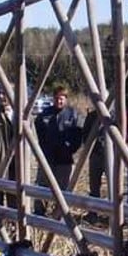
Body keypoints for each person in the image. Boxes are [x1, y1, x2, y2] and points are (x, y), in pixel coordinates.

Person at [34, 87, 84, 216]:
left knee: (63, 189)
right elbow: (37, 132)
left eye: (61, 99)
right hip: (47, 158)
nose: (59, 101)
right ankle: (39, 212)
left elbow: (78, 136)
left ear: (66, 99)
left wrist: (69, 148)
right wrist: (42, 150)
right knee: (42, 186)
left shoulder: (73, 114)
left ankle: (60, 214)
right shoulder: (45, 114)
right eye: (56, 98)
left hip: (64, 159)